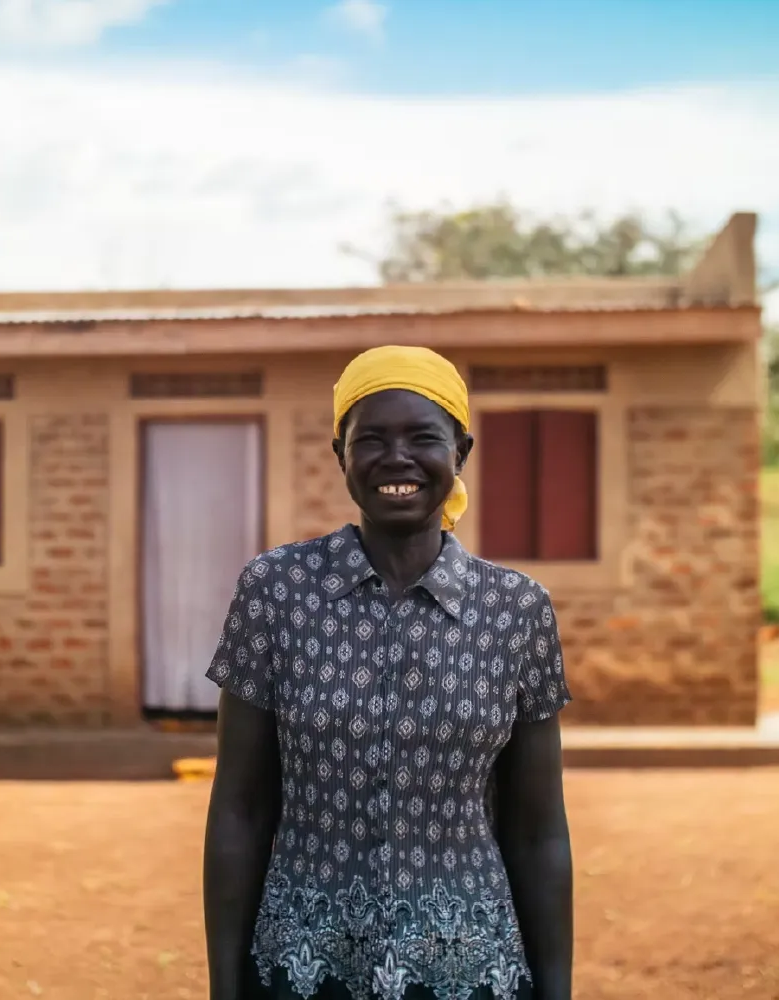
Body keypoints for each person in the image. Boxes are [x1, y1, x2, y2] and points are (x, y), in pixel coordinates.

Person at [203, 345, 573, 1000]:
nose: (396, 458)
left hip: (469, 971)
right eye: (370, 438)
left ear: (461, 451)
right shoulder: (276, 591)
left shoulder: (517, 610)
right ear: (340, 452)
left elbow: (538, 830)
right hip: (303, 969)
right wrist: (227, 987)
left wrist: (556, 990)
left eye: (422, 438)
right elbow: (239, 807)